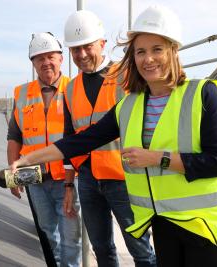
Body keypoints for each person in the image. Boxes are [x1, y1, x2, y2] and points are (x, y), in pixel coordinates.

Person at [11, 5, 217, 267]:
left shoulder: (203, 94)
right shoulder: (130, 105)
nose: (148, 59)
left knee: (142, 254)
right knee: (107, 247)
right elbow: (78, 141)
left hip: (208, 227)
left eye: (157, 49)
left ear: (173, 51)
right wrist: (27, 159)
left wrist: (156, 158)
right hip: (164, 219)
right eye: (140, 52)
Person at [61, 10, 156, 267]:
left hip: (125, 179)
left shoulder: (128, 76)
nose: (81, 55)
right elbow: (70, 139)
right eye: (74, 50)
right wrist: (69, 186)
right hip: (89, 181)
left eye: (86, 47)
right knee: (102, 248)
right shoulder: (70, 88)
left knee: (141, 250)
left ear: (102, 44)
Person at [6, 32, 82, 267]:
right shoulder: (22, 94)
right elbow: (14, 137)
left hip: (69, 177)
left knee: (71, 237)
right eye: (39, 58)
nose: (46, 62)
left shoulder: (76, 88)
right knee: (48, 231)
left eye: (51, 56)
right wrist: (13, 177)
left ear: (61, 58)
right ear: (33, 63)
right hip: (35, 179)